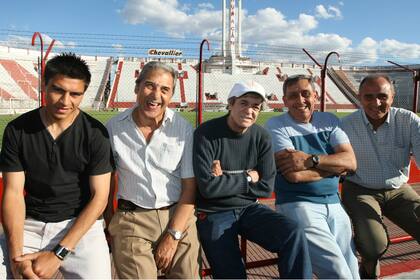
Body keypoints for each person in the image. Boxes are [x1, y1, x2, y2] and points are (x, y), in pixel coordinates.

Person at [0, 53, 114, 279]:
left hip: (81, 225)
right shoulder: (17, 130)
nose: (65, 101)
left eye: (75, 94)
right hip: (30, 222)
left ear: (84, 94)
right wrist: (16, 259)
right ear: (44, 86)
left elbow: (100, 198)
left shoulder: (95, 134)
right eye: (58, 90)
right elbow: (13, 193)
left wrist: (58, 254)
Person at [193, 80, 312, 279]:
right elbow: (208, 189)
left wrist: (225, 181)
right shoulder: (206, 133)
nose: (250, 110)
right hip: (214, 212)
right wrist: (248, 176)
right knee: (231, 272)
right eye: (244, 103)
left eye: (255, 106)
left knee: (292, 232)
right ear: (231, 104)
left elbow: (266, 187)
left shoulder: (262, 136)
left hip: (250, 208)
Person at [105, 61, 200, 279]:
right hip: (132, 218)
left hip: (179, 217)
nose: (156, 95)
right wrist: (111, 223)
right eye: (150, 85)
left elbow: (189, 187)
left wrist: (173, 235)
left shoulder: (183, 128)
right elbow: (107, 180)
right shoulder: (113, 127)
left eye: (164, 89)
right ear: (137, 88)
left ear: (171, 94)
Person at [265, 74, 360, 279]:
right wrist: (335, 168)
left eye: (305, 94)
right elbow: (294, 176)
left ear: (315, 96)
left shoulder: (330, 120)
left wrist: (312, 160)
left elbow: (351, 163)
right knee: (338, 273)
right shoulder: (276, 125)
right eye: (293, 96)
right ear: (285, 101)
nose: (300, 100)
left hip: (335, 203)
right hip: (298, 204)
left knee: (353, 269)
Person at [340, 74, 420, 279]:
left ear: (392, 97)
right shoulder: (346, 125)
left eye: (382, 96)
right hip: (360, 188)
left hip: (398, 189)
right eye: (368, 97)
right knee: (374, 246)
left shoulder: (409, 120)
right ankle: (368, 269)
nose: (376, 103)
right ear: (359, 97)